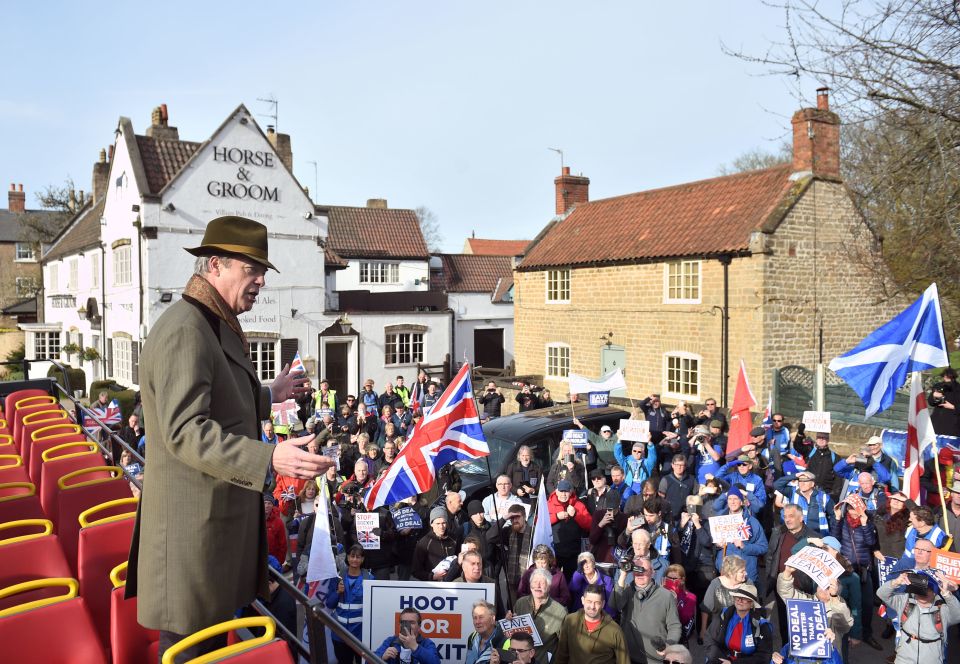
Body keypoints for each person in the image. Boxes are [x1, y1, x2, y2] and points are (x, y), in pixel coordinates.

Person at [126, 216, 334, 661]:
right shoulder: (188, 329)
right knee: (191, 653)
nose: (260, 280)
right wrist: (269, 459)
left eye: (262, 270)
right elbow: (186, 431)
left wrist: (268, 395)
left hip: (208, 537)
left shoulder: (207, 320)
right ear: (215, 264)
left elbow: (215, 394)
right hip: (192, 542)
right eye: (251, 268)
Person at [876, 568, 960, 664]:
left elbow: (958, 616)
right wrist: (896, 582)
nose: (922, 594)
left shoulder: (942, 609)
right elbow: (881, 593)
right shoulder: (904, 601)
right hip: (904, 659)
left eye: (927, 589)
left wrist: (947, 594)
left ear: (935, 591)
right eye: (918, 588)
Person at [613, 555, 681, 664]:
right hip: (628, 657)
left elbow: (675, 626)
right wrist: (623, 575)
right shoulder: (627, 592)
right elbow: (615, 605)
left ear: (652, 572)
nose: (640, 573)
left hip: (655, 659)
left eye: (643, 570)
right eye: (636, 569)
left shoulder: (666, 596)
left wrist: (668, 645)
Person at [764, 503, 815, 644]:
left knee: (803, 626)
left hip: (802, 590)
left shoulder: (813, 537)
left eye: (791, 516)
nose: (787, 520)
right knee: (784, 624)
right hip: (781, 587)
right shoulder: (778, 532)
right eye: (785, 516)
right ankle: (786, 650)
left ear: (801, 518)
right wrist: (771, 577)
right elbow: (770, 556)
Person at [554, 583, 629, 664]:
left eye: (597, 602)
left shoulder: (615, 630)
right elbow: (561, 655)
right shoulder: (570, 621)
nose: (592, 606)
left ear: (603, 604)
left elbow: (623, 661)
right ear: (582, 600)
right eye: (589, 601)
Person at [324, 545, 373, 664]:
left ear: (362, 559)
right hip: (340, 635)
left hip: (361, 636)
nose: (355, 560)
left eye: (358, 557)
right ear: (347, 557)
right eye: (352, 556)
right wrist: (337, 592)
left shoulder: (370, 579)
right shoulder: (338, 577)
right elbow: (330, 604)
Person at [711, 486, 768, 585]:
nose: (732, 502)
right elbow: (711, 545)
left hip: (746, 574)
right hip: (726, 573)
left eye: (736, 499)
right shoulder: (720, 521)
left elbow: (763, 547)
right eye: (730, 499)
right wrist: (717, 545)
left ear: (741, 502)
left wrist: (743, 546)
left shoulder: (752, 522)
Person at [704, 584, 773, 664]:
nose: (740, 600)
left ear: (752, 604)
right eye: (737, 597)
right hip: (722, 658)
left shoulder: (762, 625)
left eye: (744, 599)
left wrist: (733, 663)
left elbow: (764, 656)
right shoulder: (724, 615)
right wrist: (719, 660)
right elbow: (710, 638)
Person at [512, 568, 568, 664]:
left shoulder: (560, 612)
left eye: (542, 583)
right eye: (535, 582)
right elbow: (512, 636)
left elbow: (564, 646)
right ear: (530, 585)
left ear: (549, 587)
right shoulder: (520, 603)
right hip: (519, 661)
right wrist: (509, 622)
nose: (538, 586)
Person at [548, 479, 592, 579]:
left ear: (571, 492)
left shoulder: (578, 505)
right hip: (554, 553)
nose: (564, 494)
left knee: (572, 582)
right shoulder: (548, 504)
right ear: (557, 491)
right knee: (553, 581)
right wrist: (556, 516)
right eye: (561, 491)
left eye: (566, 491)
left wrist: (576, 514)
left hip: (573, 552)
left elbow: (589, 525)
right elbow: (539, 522)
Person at [700, 555, 747, 645]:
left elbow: (755, 609)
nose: (745, 573)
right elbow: (705, 608)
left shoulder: (748, 584)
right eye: (742, 571)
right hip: (718, 632)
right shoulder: (716, 584)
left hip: (740, 631)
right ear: (731, 573)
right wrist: (703, 630)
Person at [374, 607, 442, 664]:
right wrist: (382, 657)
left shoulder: (426, 643)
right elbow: (368, 661)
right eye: (404, 622)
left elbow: (436, 662)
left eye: (412, 622)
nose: (408, 626)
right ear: (400, 625)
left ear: (419, 626)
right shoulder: (390, 641)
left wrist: (415, 647)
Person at [412, 506, 458, 580]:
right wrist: (432, 577)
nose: (441, 526)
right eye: (438, 523)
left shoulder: (453, 538)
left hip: (452, 582)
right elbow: (415, 571)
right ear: (431, 524)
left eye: (444, 523)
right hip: (433, 586)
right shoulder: (424, 543)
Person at [569, 551, 616, 617]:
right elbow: (573, 588)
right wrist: (579, 572)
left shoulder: (607, 580)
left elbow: (610, 604)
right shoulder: (578, 578)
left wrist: (606, 619)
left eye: (588, 562)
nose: (586, 566)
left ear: (593, 564)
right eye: (582, 564)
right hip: (581, 616)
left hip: (601, 616)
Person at [663, 564, 697, 646]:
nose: (671, 580)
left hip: (677, 637)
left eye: (674, 578)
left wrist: (674, 602)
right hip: (661, 633)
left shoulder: (690, 597)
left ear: (682, 580)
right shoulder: (660, 592)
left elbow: (684, 619)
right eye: (669, 578)